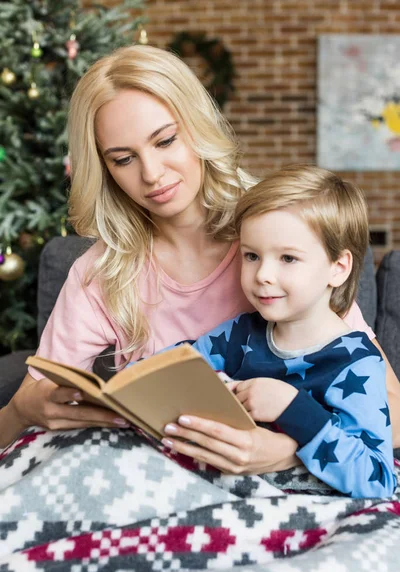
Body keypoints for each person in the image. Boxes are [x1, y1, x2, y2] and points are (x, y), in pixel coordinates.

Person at [1, 45, 399, 474]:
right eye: (123, 158)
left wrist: (287, 450)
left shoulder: (279, 239)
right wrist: (22, 409)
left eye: (166, 140)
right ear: (105, 169)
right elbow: (18, 422)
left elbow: (392, 413)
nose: (151, 173)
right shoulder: (100, 274)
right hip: (159, 482)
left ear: (197, 127)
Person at [158, 165, 396, 497]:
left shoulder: (356, 363)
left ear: (338, 268)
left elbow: (378, 479)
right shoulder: (237, 335)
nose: (262, 275)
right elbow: (171, 367)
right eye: (252, 256)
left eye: (287, 258)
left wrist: (293, 408)